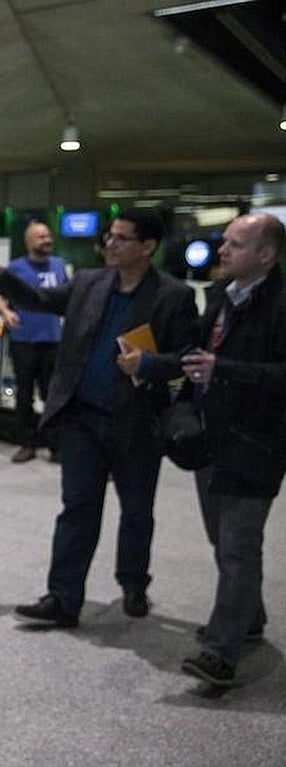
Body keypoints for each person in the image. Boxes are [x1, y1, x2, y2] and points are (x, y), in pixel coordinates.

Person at [0, 209, 198, 627]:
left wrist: (147, 364)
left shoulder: (173, 296)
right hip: (83, 421)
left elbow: (186, 358)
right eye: (109, 236)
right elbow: (41, 300)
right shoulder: (91, 282)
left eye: (122, 238)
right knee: (76, 509)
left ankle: (133, 583)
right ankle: (63, 597)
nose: (110, 243)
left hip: (136, 422)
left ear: (147, 247)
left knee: (136, 509)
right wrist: (1, 279)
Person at [171, 213, 286, 686]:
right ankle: (249, 619)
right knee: (224, 541)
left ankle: (221, 652)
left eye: (235, 244)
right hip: (212, 439)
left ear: (266, 255)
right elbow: (197, 357)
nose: (222, 250)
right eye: (224, 242)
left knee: (239, 547)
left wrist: (226, 369)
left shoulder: (282, 304)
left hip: (256, 444)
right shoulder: (219, 297)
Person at [0, 221, 69, 463]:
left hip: (52, 340)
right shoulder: (15, 268)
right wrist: (6, 313)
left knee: (52, 395)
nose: (46, 239)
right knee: (24, 395)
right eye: (41, 237)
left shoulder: (58, 265)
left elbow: (68, 296)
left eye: (48, 235)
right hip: (24, 340)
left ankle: (56, 443)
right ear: (29, 242)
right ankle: (27, 442)